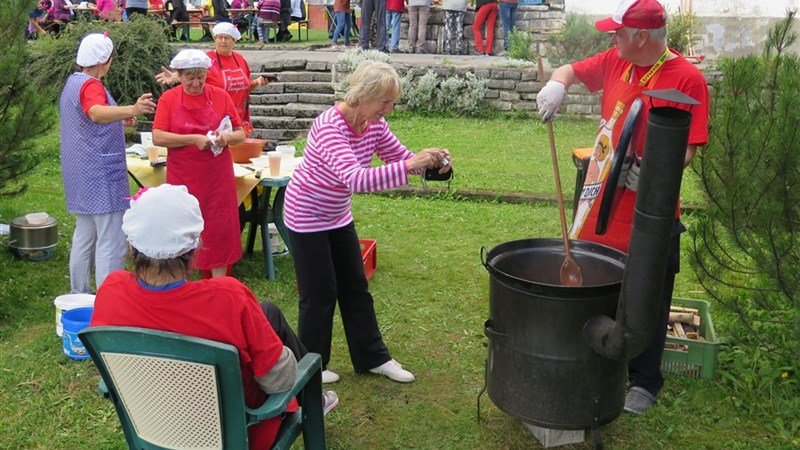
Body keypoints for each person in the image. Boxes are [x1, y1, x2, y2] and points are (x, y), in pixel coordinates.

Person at [536, 0, 710, 415]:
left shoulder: (687, 79)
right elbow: (573, 70)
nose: (611, 37)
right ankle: (596, 360)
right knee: (596, 287)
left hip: (649, 214)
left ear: (641, 36)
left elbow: (688, 148)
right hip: (602, 202)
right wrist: (557, 84)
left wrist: (653, 171)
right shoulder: (618, 59)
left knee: (647, 296)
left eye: (618, 31)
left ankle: (646, 381)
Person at [89, 184, 339, 450]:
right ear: (194, 247)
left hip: (155, 429)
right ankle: (316, 400)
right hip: (240, 434)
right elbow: (280, 381)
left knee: (268, 313)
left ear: (132, 243)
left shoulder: (110, 291)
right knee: (270, 323)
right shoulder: (229, 297)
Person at [284, 61, 452, 384]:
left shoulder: (374, 125)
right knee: (319, 293)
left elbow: (401, 159)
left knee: (356, 287)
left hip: (336, 215)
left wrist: (432, 162)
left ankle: (373, 358)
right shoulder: (329, 126)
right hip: (305, 216)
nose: (389, 109)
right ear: (361, 97)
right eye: (384, 102)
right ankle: (310, 367)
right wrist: (411, 164)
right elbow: (356, 179)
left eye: (391, 101)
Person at [59, 33, 156, 294]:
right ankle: (108, 297)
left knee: (85, 234)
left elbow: (86, 118)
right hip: (99, 173)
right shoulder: (92, 86)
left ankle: (79, 293)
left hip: (79, 171)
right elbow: (95, 112)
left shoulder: (73, 82)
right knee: (111, 238)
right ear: (105, 61)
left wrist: (121, 118)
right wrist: (132, 109)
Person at [151, 49, 246, 279]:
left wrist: (226, 138)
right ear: (179, 75)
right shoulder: (169, 99)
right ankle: (179, 281)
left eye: (200, 77)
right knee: (182, 226)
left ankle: (219, 283)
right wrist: (192, 140)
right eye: (189, 78)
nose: (196, 83)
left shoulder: (220, 96)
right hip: (184, 176)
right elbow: (159, 136)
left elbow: (240, 133)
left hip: (216, 177)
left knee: (218, 227)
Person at [156, 23, 271, 123]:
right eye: (219, 38)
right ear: (214, 39)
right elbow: (191, 72)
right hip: (213, 117)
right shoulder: (206, 59)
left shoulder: (240, 59)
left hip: (238, 117)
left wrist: (257, 82)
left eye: (227, 38)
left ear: (234, 40)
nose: (223, 41)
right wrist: (174, 76)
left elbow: (242, 89)